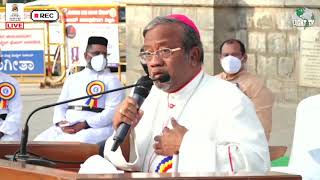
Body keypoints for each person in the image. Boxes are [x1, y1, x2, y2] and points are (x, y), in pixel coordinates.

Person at [80, 14, 269, 173]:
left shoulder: (228, 98)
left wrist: (186, 145)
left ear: (193, 56)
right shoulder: (148, 97)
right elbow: (132, 163)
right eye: (147, 53)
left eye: (164, 51)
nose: (153, 62)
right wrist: (125, 136)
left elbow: (258, 163)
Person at [34, 36, 125, 144]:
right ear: (86, 55)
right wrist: (61, 123)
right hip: (67, 126)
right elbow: (60, 106)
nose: (101, 58)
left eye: (104, 54)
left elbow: (111, 112)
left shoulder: (112, 80)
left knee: (78, 142)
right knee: (38, 142)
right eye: (96, 54)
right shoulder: (73, 78)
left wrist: (84, 124)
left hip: (95, 128)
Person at [216, 39, 274, 141]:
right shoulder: (214, 82)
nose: (230, 59)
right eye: (226, 55)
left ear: (244, 58)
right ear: (220, 58)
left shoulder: (256, 86)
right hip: (215, 143)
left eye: (234, 55)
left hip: (241, 144)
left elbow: (263, 125)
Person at [0, 49, 22, 141]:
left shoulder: (10, 82)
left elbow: (16, 112)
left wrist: (2, 132)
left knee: (10, 142)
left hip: (5, 129)